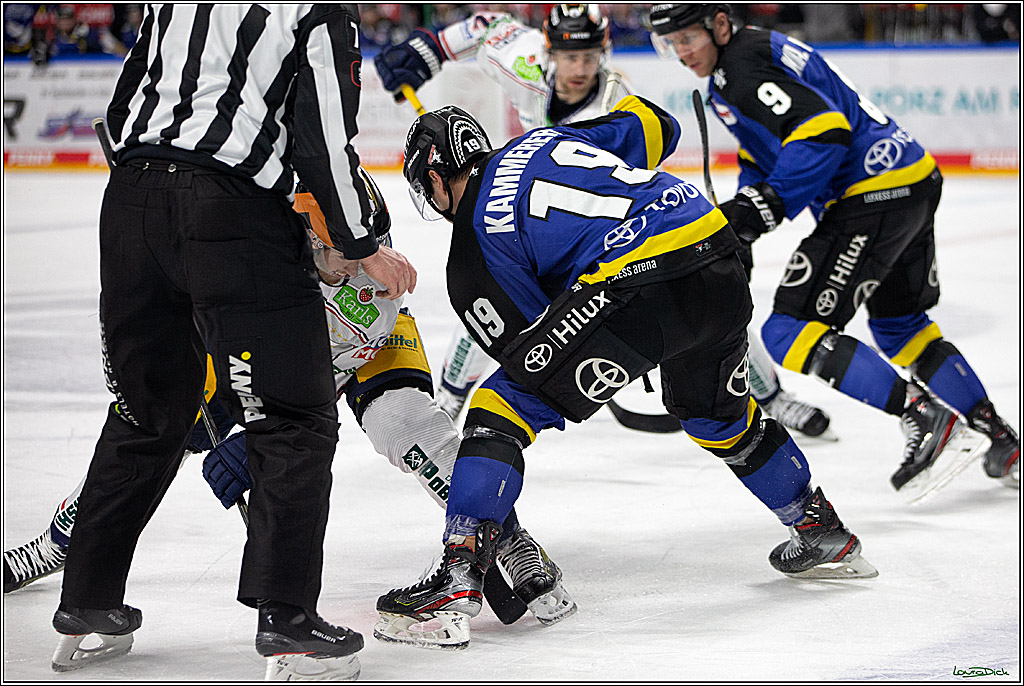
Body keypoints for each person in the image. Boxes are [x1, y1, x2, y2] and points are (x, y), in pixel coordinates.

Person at [373, 98, 877, 652]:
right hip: (715, 247)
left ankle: (458, 573)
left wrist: (626, 342)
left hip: (638, 278)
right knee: (717, 417)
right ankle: (820, 530)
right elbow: (660, 123)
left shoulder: (470, 255)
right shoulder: (543, 140)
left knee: (500, 409)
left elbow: (528, 348)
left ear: (439, 177)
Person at [7, 178, 575, 632]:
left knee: (407, 422)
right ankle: (61, 543)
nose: (357, 268)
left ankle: (506, 541)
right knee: (170, 434)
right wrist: (242, 430)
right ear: (307, 240)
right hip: (253, 340)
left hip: (346, 353)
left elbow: (312, 395)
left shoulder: (376, 282)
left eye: (367, 250)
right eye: (343, 254)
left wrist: (259, 446)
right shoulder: (263, 266)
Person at [48, 4, 415, 681]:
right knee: (294, 417)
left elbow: (126, 101)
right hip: (234, 212)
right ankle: (288, 619)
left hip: (129, 205)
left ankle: (88, 600)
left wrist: (151, 208)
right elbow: (323, 142)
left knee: (145, 411)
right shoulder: (319, 10)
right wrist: (363, 247)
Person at [375, 4, 832, 441]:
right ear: (549, 53)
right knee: (488, 304)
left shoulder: (615, 101)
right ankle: (450, 403)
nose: (579, 68)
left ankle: (772, 394)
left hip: (606, 241)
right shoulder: (523, 59)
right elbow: (483, 26)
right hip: (515, 208)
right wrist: (428, 49)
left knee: (697, 284)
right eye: (570, 56)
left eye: (590, 56)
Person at [646, 4, 1019, 497]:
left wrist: (769, 205)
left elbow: (823, 132)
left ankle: (924, 416)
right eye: (670, 44)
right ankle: (999, 436)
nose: (680, 53)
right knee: (900, 326)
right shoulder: (740, 63)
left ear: (718, 25)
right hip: (910, 178)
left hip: (872, 195)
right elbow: (763, 149)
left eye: (687, 38)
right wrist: (747, 220)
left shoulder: (742, 64)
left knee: (789, 330)